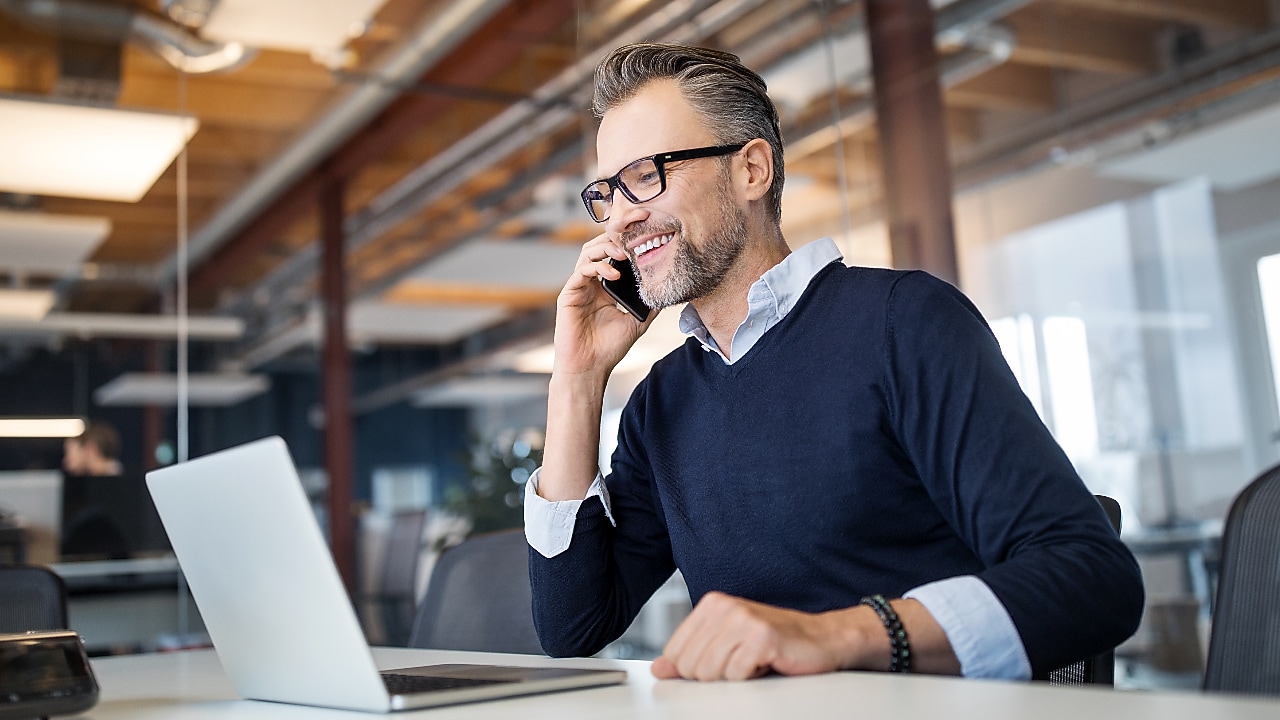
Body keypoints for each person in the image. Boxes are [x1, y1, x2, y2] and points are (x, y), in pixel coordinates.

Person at [523, 43, 1144, 682]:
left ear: (751, 170)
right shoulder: (663, 401)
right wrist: (576, 380)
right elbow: (573, 627)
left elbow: (1092, 578)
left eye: (647, 175)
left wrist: (836, 636)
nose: (621, 217)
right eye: (606, 193)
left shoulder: (904, 322)